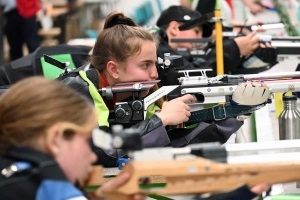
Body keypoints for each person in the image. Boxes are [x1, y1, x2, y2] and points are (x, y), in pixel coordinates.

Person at [59, 11, 245, 168]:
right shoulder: (75, 92)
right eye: (145, 65)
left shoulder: (136, 95)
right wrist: (161, 119)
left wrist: (234, 112)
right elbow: (104, 152)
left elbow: (175, 146)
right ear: (113, 69)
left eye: (154, 64)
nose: (155, 74)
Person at [0, 77, 144, 200]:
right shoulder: (53, 186)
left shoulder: (16, 177)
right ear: (55, 139)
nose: (93, 157)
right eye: (87, 141)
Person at [156, 5, 262, 83]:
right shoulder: (157, 47)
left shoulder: (169, 50)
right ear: (174, 28)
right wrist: (234, 48)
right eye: (196, 32)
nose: (199, 40)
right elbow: (191, 75)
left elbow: (196, 67)